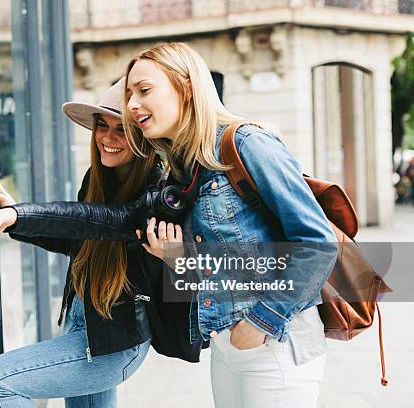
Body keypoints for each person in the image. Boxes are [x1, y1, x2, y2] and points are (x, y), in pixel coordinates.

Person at [121, 42, 337, 408]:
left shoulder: (246, 143)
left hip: (277, 344)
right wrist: (180, 259)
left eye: (144, 90)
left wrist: (259, 323)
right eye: (129, 94)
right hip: (226, 346)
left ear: (186, 87)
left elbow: (317, 242)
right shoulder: (186, 168)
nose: (132, 105)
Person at [0, 79, 164, 407]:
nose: (108, 138)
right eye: (101, 126)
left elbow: (91, 220)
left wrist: (19, 215)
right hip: (84, 322)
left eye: (121, 130)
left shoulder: (154, 192)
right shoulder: (99, 179)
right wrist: (14, 219)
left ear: (141, 138)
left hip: (112, 343)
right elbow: (78, 236)